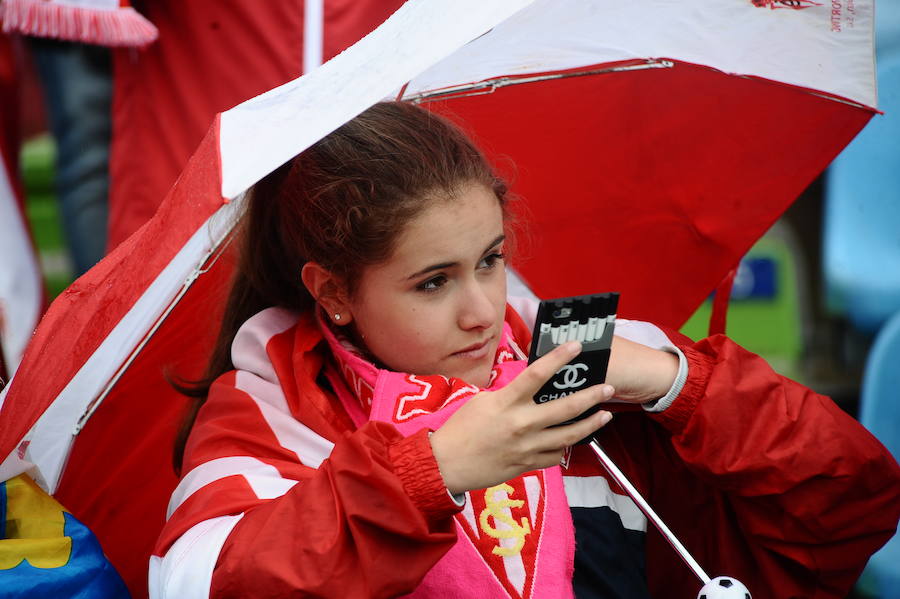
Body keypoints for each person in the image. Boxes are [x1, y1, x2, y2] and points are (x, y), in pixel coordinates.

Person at [150, 101, 900, 599]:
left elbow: (851, 506)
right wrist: (430, 473)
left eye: (491, 258)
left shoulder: (581, 365)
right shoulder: (270, 411)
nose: (482, 311)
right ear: (335, 293)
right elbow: (202, 584)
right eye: (433, 282)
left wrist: (683, 384)